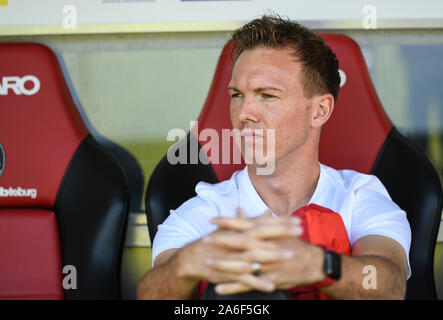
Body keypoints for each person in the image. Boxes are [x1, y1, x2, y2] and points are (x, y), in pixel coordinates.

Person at [137, 14, 411, 300]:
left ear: (319, 111)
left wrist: (317, 265)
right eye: (237, 95)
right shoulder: (207, 211)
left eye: (267, 95)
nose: (243, 114)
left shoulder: (359, 198)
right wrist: (185, 266)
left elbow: (389, 288)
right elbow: (150, 294)